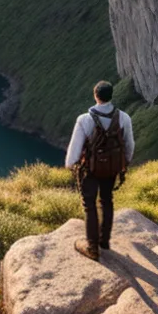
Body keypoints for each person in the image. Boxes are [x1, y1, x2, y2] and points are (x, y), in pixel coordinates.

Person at [64, 80, 134, 261]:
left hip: (90, 169)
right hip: (111, 168)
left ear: (96, 96)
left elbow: (75, 150)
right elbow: (129, 145)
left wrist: (70, 165)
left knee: (89, 206)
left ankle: (92, 247)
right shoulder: (123, 117)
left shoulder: (84, 119)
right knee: (107, 201)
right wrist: (124, 162)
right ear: (111, 95)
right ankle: (104, 241)